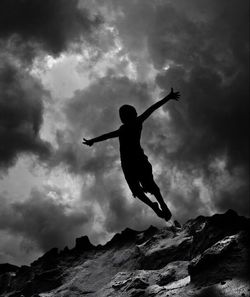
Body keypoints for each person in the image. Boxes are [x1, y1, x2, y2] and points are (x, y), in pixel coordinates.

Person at [83, 88, 180, 221]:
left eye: (127, 114)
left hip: (137, 161)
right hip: (129, 165)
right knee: (137, 190)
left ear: (129, 116)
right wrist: (93, 141)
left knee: (149, 186)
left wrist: (168, 98)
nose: (125, 117)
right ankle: (155, 207)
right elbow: (107, 135)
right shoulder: (124, 129)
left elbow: (152, 108)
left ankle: (162, 205)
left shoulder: (135, 123)